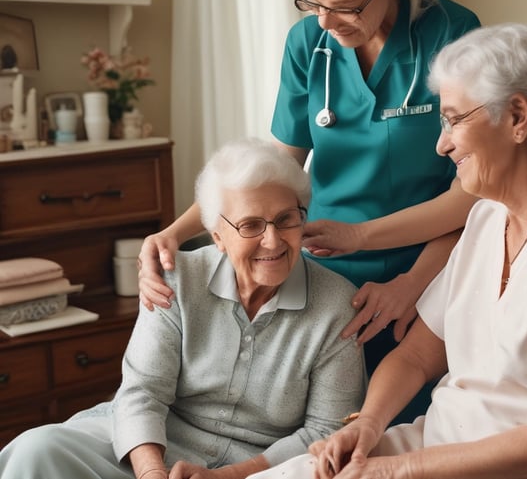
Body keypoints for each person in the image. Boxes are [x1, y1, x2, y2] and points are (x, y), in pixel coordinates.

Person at [248, 23, 527, 479]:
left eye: (454, 119)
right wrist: (366, 425)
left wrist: (397, 472)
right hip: (440, 450)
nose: (441, 143)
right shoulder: (489, 215)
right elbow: (416, 355)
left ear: (517, 117)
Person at [137, 0, 480, 421]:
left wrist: (413, 283)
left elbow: (473, 192)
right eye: (312, 1)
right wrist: (173, 232)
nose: (325, 21)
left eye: (345, 7)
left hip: (425, 272)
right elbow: (275, 169)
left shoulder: (453, 36)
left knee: (395, 430)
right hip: (322, 271)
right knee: (298, 428)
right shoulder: (309, 43)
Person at [0, 138, 366, 479]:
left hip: (260, 465)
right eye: (250, 225)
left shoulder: (336, 304)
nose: (272, 240)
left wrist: (226, 476)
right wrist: (152, 472)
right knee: (37, 450)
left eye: (286, 219)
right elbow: (143, 392)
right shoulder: (177, 279)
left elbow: (327, 428)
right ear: (218, 237)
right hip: (151, 442)